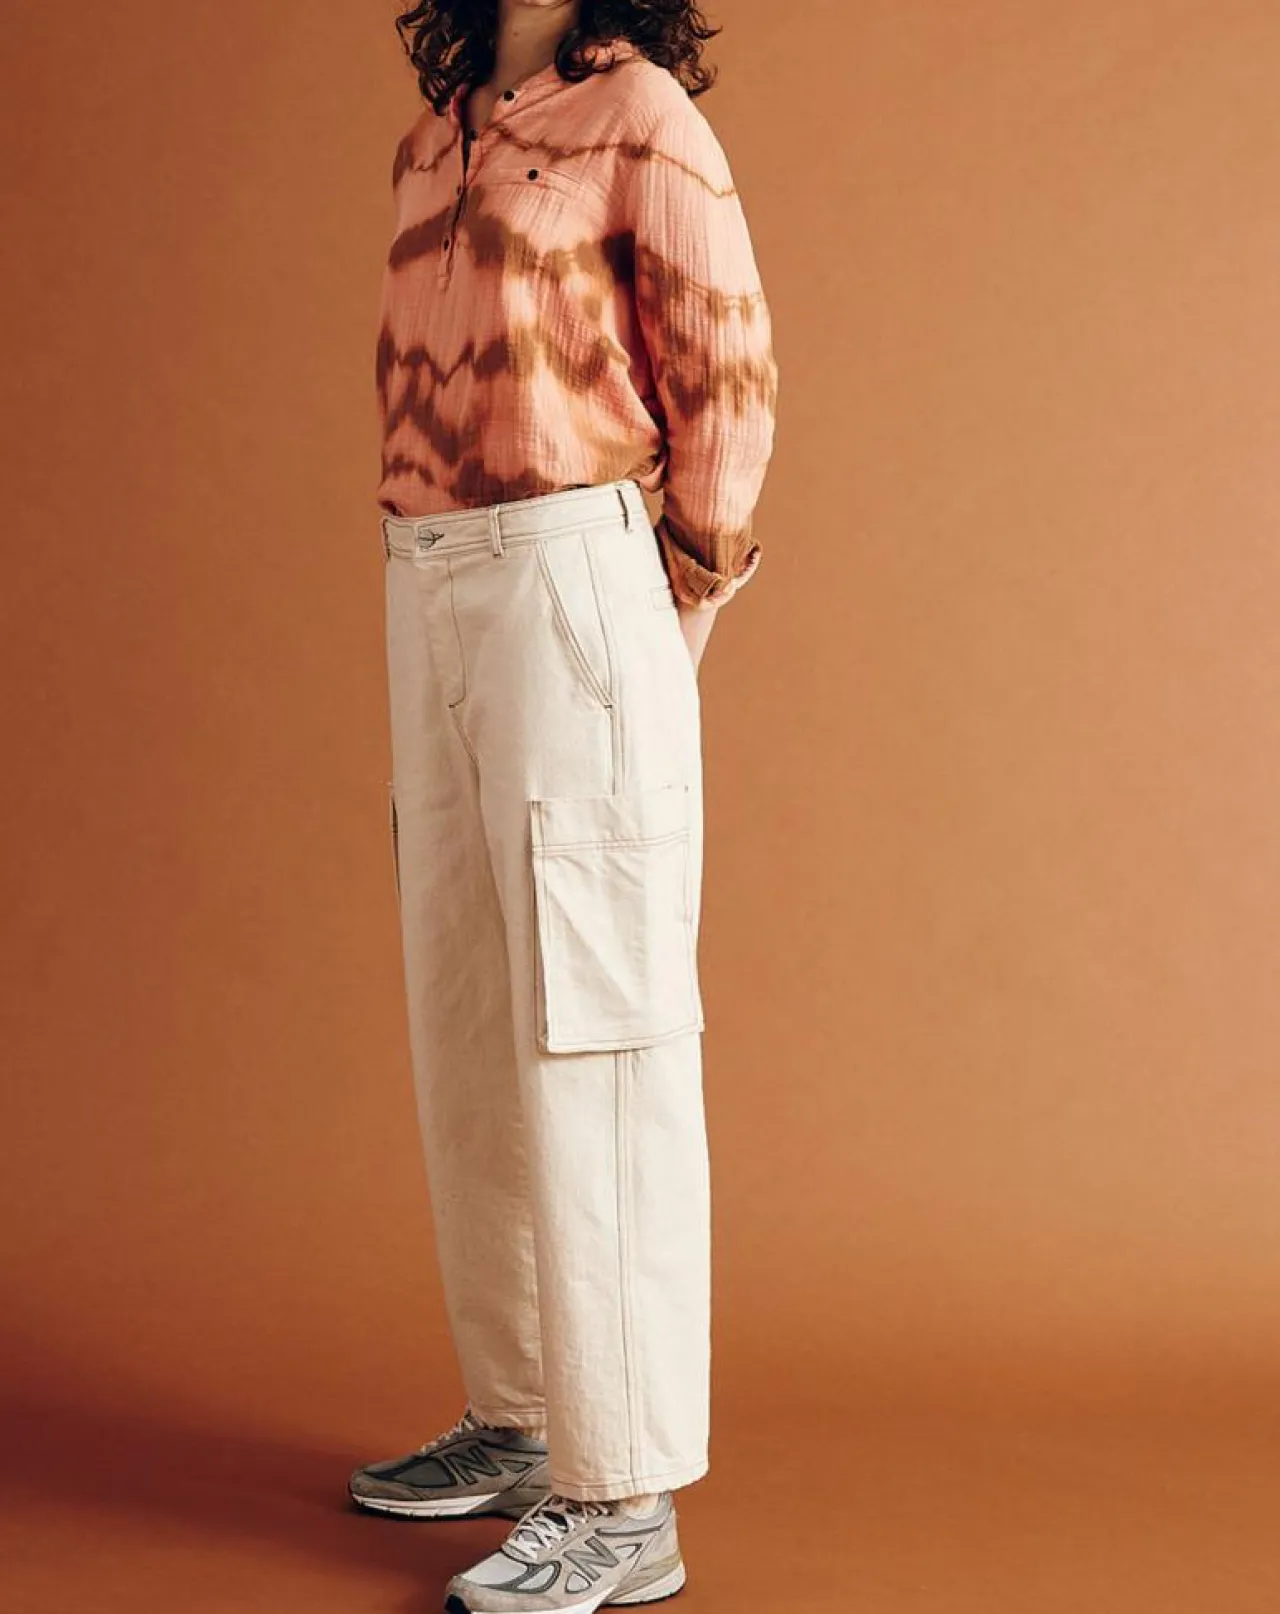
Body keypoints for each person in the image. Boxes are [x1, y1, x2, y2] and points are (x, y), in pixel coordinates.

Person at [351, 1, 778, 1608]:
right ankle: (524, 1414)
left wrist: (671, 605)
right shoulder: (434, 137)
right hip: (427, 576)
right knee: (469, 1009)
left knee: (599, 1026)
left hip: (568, 571)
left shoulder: (643, 116)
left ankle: (625, 1494)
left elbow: (728, 374)